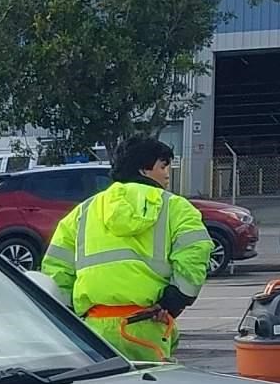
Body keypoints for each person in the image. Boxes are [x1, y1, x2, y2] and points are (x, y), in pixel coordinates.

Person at [39, 136, 214, 363]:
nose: (168, 174)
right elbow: (195, 251)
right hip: (148, 324)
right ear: (144, 169)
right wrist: (175, 300)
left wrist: (69, 316)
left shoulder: (83, 211)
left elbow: (56, 268)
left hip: (94, 331)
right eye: (163, 166)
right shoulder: (176, 207)